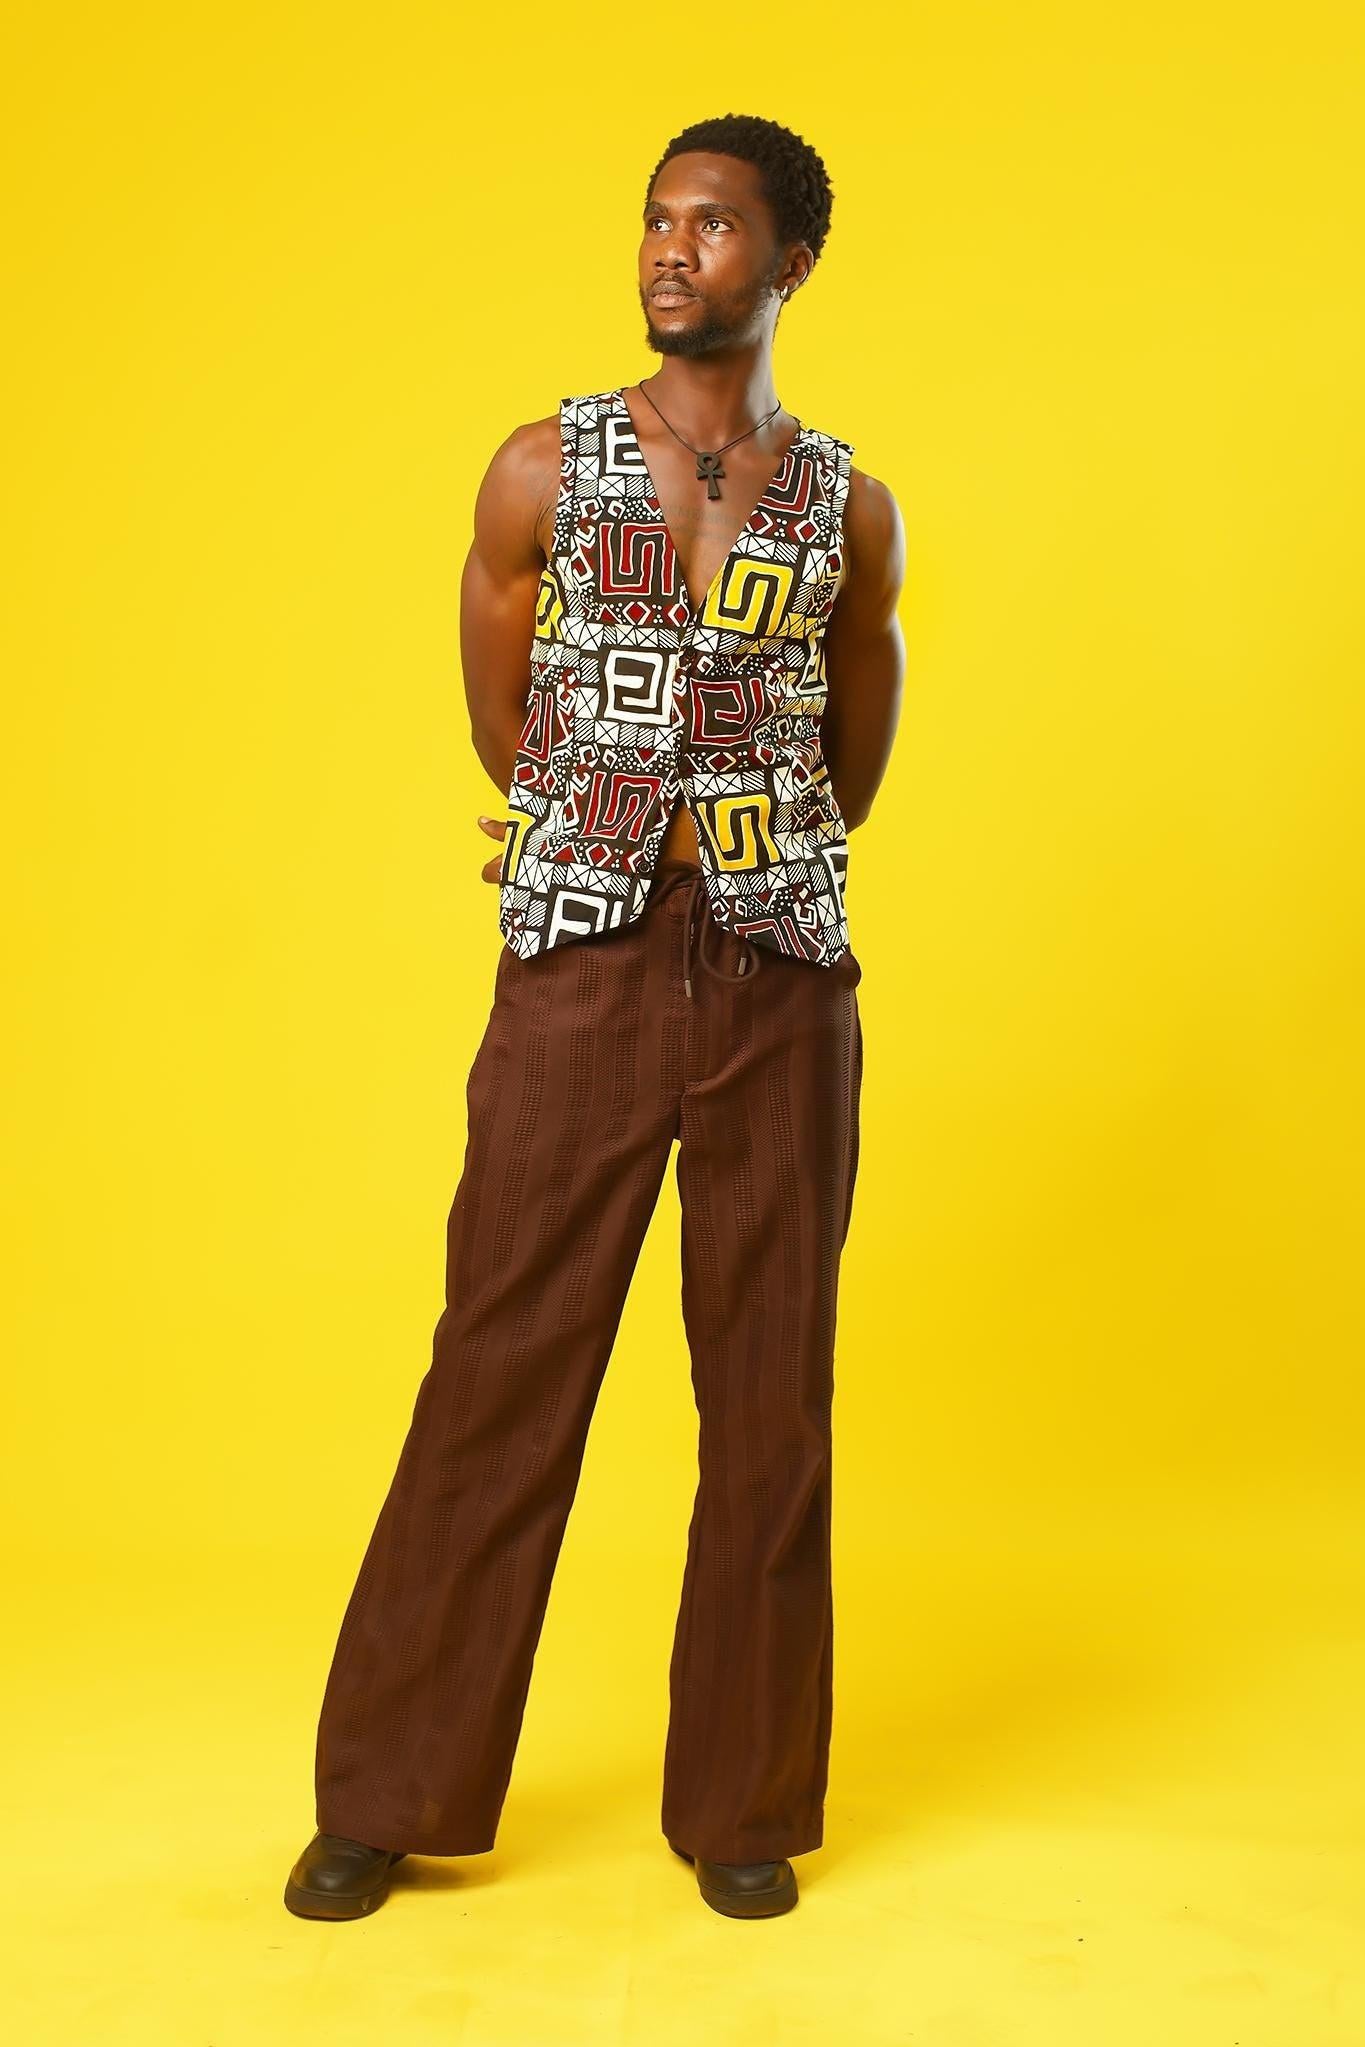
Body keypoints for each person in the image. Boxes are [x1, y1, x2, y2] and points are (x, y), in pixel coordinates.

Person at [284, 111, 905, 1924]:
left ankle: (742, 1804)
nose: (667, 250)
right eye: (653, 221)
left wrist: (742, 852)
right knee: (499, 1368)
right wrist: (602, 827)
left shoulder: (846, 501)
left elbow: (849, 752)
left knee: (770, 1401)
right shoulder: (539, 469)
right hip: (579, 967)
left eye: (710, 226)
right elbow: (502, 719)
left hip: (781, 980)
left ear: (786, 262)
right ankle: (385, 1792)